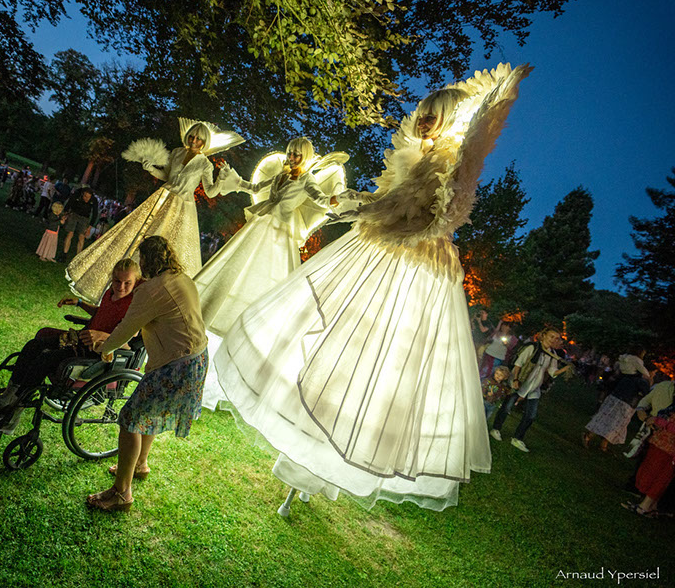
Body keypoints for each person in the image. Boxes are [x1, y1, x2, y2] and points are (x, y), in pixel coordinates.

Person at [211, 64, 532, 511]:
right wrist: (359, 207)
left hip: (411, 268)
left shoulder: (449, 163)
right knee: (330, 348)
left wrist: (392, 216)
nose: (423, 121)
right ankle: (301, 467)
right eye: (422, 113)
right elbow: (387, 203)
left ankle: (318, 470)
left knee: (372, 366)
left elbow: (444, 215)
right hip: (375, 251)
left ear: (449, 123)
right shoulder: (414, 159)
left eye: (432, 116)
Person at [193, 138, 344, 408]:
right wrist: (234, 181)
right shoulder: (280, 175)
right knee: (234, 273)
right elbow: (254, 187)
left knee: (266, 287)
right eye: (290, 153)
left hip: (279, 238)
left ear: (306, 156)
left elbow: (321, 201)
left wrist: (340, 200)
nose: (293, 157)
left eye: (298, 154)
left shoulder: (307, 180)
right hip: (260, 227)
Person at [87, 236, 208, 512]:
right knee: (148, 416)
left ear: (147, 261)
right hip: (196, 359)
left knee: (130, 419)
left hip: (176, 365)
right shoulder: (183, 278)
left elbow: (127, 327)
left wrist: (105, 347)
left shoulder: (152, 289)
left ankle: (121, 493)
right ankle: (139, 465)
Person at [67, 119, 244, 303]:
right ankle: (120, 288)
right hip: (162, 199)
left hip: (183, 208)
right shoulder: (176, 153)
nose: (194, 141)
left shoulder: (205, 164)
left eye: (199, 139)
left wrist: (222, 179)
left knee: (169, 249)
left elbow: (211, 191)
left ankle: (153, 298)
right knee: (141, 238)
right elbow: (166, 176)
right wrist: (150, 168)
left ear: (204, 141)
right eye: (192, 136)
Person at [0, 258, 142, 434]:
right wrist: (80, 303)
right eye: (117, 281)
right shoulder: (110, 293)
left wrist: (102, 335)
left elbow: (130, 336)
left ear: (136, 281)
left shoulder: (134, 304)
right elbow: (102, 312)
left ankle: (10, 418)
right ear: (111, 278)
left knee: (45, 360)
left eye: (127, 283)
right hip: (80, 339)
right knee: (33, 346)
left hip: (96, 353)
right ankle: (7, 398)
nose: (120, 286)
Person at [489, 327, 572, 452]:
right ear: (543, 336)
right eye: (551, 336)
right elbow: (518, 364)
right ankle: (495, 429)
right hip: (520, 382)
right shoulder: (532, 347)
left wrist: (566, 368)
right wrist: (515, 380)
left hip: (534, 387)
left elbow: (552, 372)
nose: (554, 340)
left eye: (556, 338)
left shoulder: (553, 355)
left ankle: (517, 438)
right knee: (507, 407)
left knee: (530, 416)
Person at [582, 348, 652, 452]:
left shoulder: (625, 375)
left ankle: (593, 438)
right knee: (616, 424)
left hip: (615, 397)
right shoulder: (640, 380)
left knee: (605, 418)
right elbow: (646, 393)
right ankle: (601, 443)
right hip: (627, 403)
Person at [622, 401, 675, 518]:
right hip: (661, 443)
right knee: (652, 474)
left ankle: (644, 507)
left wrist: (658, 421)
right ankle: (651, 506)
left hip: (669, 450)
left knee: (658, 477)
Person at [61, 186, 99, 260]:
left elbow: (95, 214)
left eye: (88, 197)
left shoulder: (94, 200)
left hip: (85, 218)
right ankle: (64, 254)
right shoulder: (76, 195)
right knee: (70, 234)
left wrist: (89, 227)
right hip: (74, 214)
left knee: (81, 236)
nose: (86, 199)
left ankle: (78, 258)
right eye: (85, 196)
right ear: (82, 194)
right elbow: (69, 204)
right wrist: (65, 215)